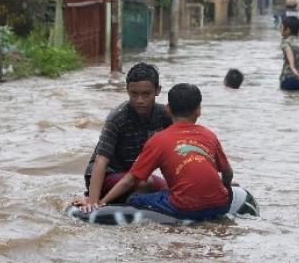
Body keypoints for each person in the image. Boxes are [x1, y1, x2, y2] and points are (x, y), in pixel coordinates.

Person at [78, 83, 235, 221]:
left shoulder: (158, 140)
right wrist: (226, 187)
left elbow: (130, 180)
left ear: (168, 109)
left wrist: (102, 202)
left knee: (135, 198)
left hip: (184, 209)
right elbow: (227, 173)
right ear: (198, 110)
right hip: (220, 205)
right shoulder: (210, 135)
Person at [73, 62, 172, 207]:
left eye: (146, 94)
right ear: (127, 91)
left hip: (133, 175)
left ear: (157, 90)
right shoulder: (118, 118)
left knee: (168, 189)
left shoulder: (164, 115)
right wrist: (94, 202)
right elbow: (101, 162)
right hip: (108, 175)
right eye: (134, 94)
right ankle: (117, 202)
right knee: (147, 183)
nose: (140, 101)